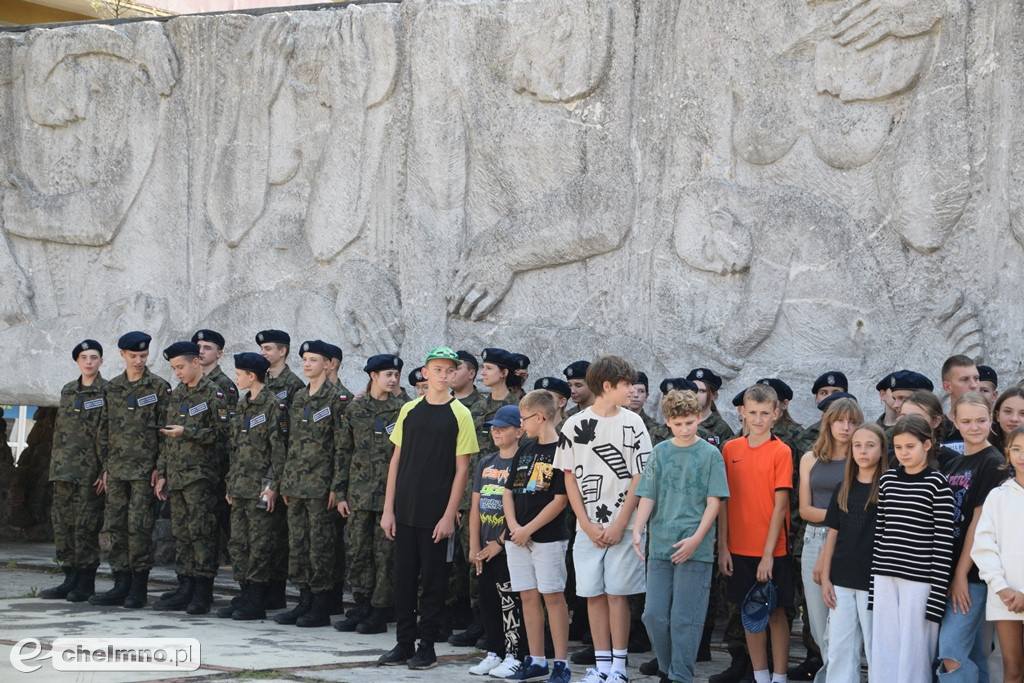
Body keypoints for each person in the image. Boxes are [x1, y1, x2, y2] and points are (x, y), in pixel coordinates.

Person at [378, 347, 478, 670]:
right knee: (403, 581)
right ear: (425, 371)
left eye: (449, 370)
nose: (443, 375)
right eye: (437, 369)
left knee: (434, 583)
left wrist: (450, 515)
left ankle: (427, 646)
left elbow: (462, 469)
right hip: (404, 511)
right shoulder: (408, 410)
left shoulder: (461, 414)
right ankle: (404, 644)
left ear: (454, 374)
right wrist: (388, 509)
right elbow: (395, 461)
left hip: (437, 515)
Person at [554, 354, 651, 683]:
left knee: (617, 594)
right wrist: (584, 521)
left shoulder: (633, 423)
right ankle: (602, 664)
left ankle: (620, 668)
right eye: (627, 384)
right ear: (608, 386)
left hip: (622, 524)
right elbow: (568, 477)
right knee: (593, 594)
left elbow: (641, 475)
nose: (632, 390)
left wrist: (622, 522)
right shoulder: (574, 424)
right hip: (588, 527)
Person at [634, 389, 729, 683]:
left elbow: (715, 501)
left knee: (684, 620)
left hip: (695, 546)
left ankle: (680, 676)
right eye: (678, 424)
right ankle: (666, 667)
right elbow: (648, 495)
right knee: (653, 615)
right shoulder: (660, 452)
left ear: (698, 418)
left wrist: (698, 539)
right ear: (667, 422)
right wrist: (638, 530)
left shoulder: (710, 454)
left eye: (690, 422)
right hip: (661, 544)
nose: (685, 429)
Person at [718, 383, 794, 683]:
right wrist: (723, 547)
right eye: (753, 413)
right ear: (742, 413)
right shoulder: (730, 449)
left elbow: (780, 507)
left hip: (773, 551)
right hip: (738, 548)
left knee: (775, 615)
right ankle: (760, 675)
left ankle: (780, 676)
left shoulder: (782, 451)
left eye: (765, 413)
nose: (759, 419)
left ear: (776, 414)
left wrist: (767, 556)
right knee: (750, 616)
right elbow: (723, 501)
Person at [870, 415, 955, 683]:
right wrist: (873, 590)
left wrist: (937, 599)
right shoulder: (887, 480)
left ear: (927, 445)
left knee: (915, 653)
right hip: (885, 576)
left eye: (910, 446)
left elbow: (943, 544)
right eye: (898, 447)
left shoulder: (938, 484)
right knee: (883, 649)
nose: (903, 453)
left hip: (920, 582)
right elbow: (881, 533)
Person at [90, 331, 170, 609]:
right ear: (122, 355)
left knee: (139, 528)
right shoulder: (111, 388)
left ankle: (138, 588)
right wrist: (105, 468)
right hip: (117, 470)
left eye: (143, 356)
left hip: (143, 472)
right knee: (116, 527)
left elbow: (165, 432)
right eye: (133, 356)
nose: (138, 360)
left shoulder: (158, 387)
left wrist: (160, 468)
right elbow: (104, 431)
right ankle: (120, 584)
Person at [274, 340, 350, 628]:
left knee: (321, 546)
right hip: (296, 485)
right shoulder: (299, 397)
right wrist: (284, 482)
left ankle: (321, 603)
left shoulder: (338, 399)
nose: (307, 364)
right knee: (298, 545)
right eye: (304, 359)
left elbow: (342, 448)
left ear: (328, 364)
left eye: (314, 359)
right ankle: (304, 599)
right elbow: (290, 443)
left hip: (321, 486)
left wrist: (337, 487)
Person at [152, 341, 230, 615]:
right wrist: (162, 473)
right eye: (174, 368)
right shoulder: (177, 394)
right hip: (177, 475)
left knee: (201, 534)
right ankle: (184, 585)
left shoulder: (213, 394)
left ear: (196, 362)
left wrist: (189, 432)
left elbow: (224, 434)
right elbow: (166, 437)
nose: (178, 373)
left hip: (200, 476)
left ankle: (202, 590)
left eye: (181, 367)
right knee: (182, 534)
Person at [937, 392, 1009, 682]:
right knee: (974, 654)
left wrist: (960, 575)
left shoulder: (993, 463)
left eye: (981, 420)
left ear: (991, 420)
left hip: (972, 575)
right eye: (966, 421)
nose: (974, 427)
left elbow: (979, 526)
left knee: (951, 652)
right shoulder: (953, 463)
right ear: (955, 421)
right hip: (951, 569)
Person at [333, 354, 406, 634]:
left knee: (384, 554)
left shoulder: (403, 410)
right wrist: (340, 492)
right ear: (373, 376)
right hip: (359, 494)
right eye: (388, 374)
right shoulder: (355, 409)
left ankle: (379, 610)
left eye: (397, 375)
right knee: (358, 551)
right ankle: (360, 605)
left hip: (390, 496)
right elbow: (343, 451)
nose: (394, 379)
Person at [503, 390, 571, 683]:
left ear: (540, 417)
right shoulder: (525, 448)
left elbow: (560, 499)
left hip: (547, 537)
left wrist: (529, 529)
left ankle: (561, 662)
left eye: (524, 419)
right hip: (517, 536)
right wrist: (515, 527)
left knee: (552, 596)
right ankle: (537, 659)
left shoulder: (563, 449)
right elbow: (509, 491)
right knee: (527, 596)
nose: (522, 425)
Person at [797, 397, 863, 683]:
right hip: (814, 540)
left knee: (841, 624)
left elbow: (864, 510)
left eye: (852, 422)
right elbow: (805, 509)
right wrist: (840, 513)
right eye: (840, 420)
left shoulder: (861, 459)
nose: (846, 427)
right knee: (816, 623)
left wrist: (838, 519)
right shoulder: (810, 458)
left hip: (850, 543)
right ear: (828, 422)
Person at [219, 352, 285, 621]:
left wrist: (272, 486)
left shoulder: (272, 406)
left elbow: (278, 451)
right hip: (239, 486)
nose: (236, 378)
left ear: (252, 375)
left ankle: (256, 598)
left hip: (259, 487)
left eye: (238, 374)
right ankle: (245, 593)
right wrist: (229, 483)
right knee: (238, 544)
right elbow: (236, 449)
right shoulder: (243, 404)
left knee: (259, 545)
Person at [41, 340, 108, 603]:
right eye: (83, 357)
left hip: (90, 472)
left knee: (86, 527)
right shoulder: (68, 391)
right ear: (77, 361)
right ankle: (68, 576)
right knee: (63, 526)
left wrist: (105, 469)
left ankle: (85, 581)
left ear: (101, 361)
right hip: (63, 471)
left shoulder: (107, 392)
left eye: (94, 357)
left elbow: (109, 433)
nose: (89, 362)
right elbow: (60, 432)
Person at [818, 423, 885, 683]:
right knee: (839, 648)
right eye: (857, 445)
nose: (863, 451)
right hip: (841, 581)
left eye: (870, 445)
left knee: (875, 647)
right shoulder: (842, 487)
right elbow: (832, 534)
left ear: (882, 449)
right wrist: (825, 578)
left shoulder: (888, 488)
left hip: (874, 581)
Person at [467, 405, 528, 677]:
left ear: (519, 431)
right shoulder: (486, 462)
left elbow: (524, 510)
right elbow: (475, 507)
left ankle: (515, 654)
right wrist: (473, 546)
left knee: (509, 602)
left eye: (503, 427)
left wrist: (499, 543)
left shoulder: (523, 461)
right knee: (488, 600)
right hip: (484, 547)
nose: (496, 431)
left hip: (508, 548)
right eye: (494, 426)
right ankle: (495, 652)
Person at [971, 426, 1024, 683]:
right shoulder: (998, 496)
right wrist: (1002, 588)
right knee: (1012, 668)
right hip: (1006, 598)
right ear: (1007, 452)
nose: (1022, 456)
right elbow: (983, 546)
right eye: (1016, 449)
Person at [256, 328, 304, 610]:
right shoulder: (258, 381)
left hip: (280, 467)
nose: (264, 353)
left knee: (277, 536)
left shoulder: (294, 385)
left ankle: (276, 592)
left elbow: (293, 434)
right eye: (262, 349)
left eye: (269, 349)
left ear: (283, 351)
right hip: (256, 465)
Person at [192, 329, 237, 568]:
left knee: (218, 521)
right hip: (193, 466)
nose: (201, 351)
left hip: (216, 464)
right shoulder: (190, 383)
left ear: (219, 353)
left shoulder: (225, 386)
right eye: (198, 346)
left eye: (207, 347)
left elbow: (226, 431)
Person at [898, 390, 959, 470]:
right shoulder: (893, 457)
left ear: (936, 421)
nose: (908, 423)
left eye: (917, 418)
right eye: (904, 417)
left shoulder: (952, 460)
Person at [939, 354, 981, 452]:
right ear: (947, 387)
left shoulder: (990, 427)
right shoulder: (937, 429)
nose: (974, 385)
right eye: (965, 379)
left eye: (976, 378)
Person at [686, 368, 735, 449]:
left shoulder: (722, 429)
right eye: (693, 390)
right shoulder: (680, 423)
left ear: (714, 395)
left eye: (702, 391)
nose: (696, 395)